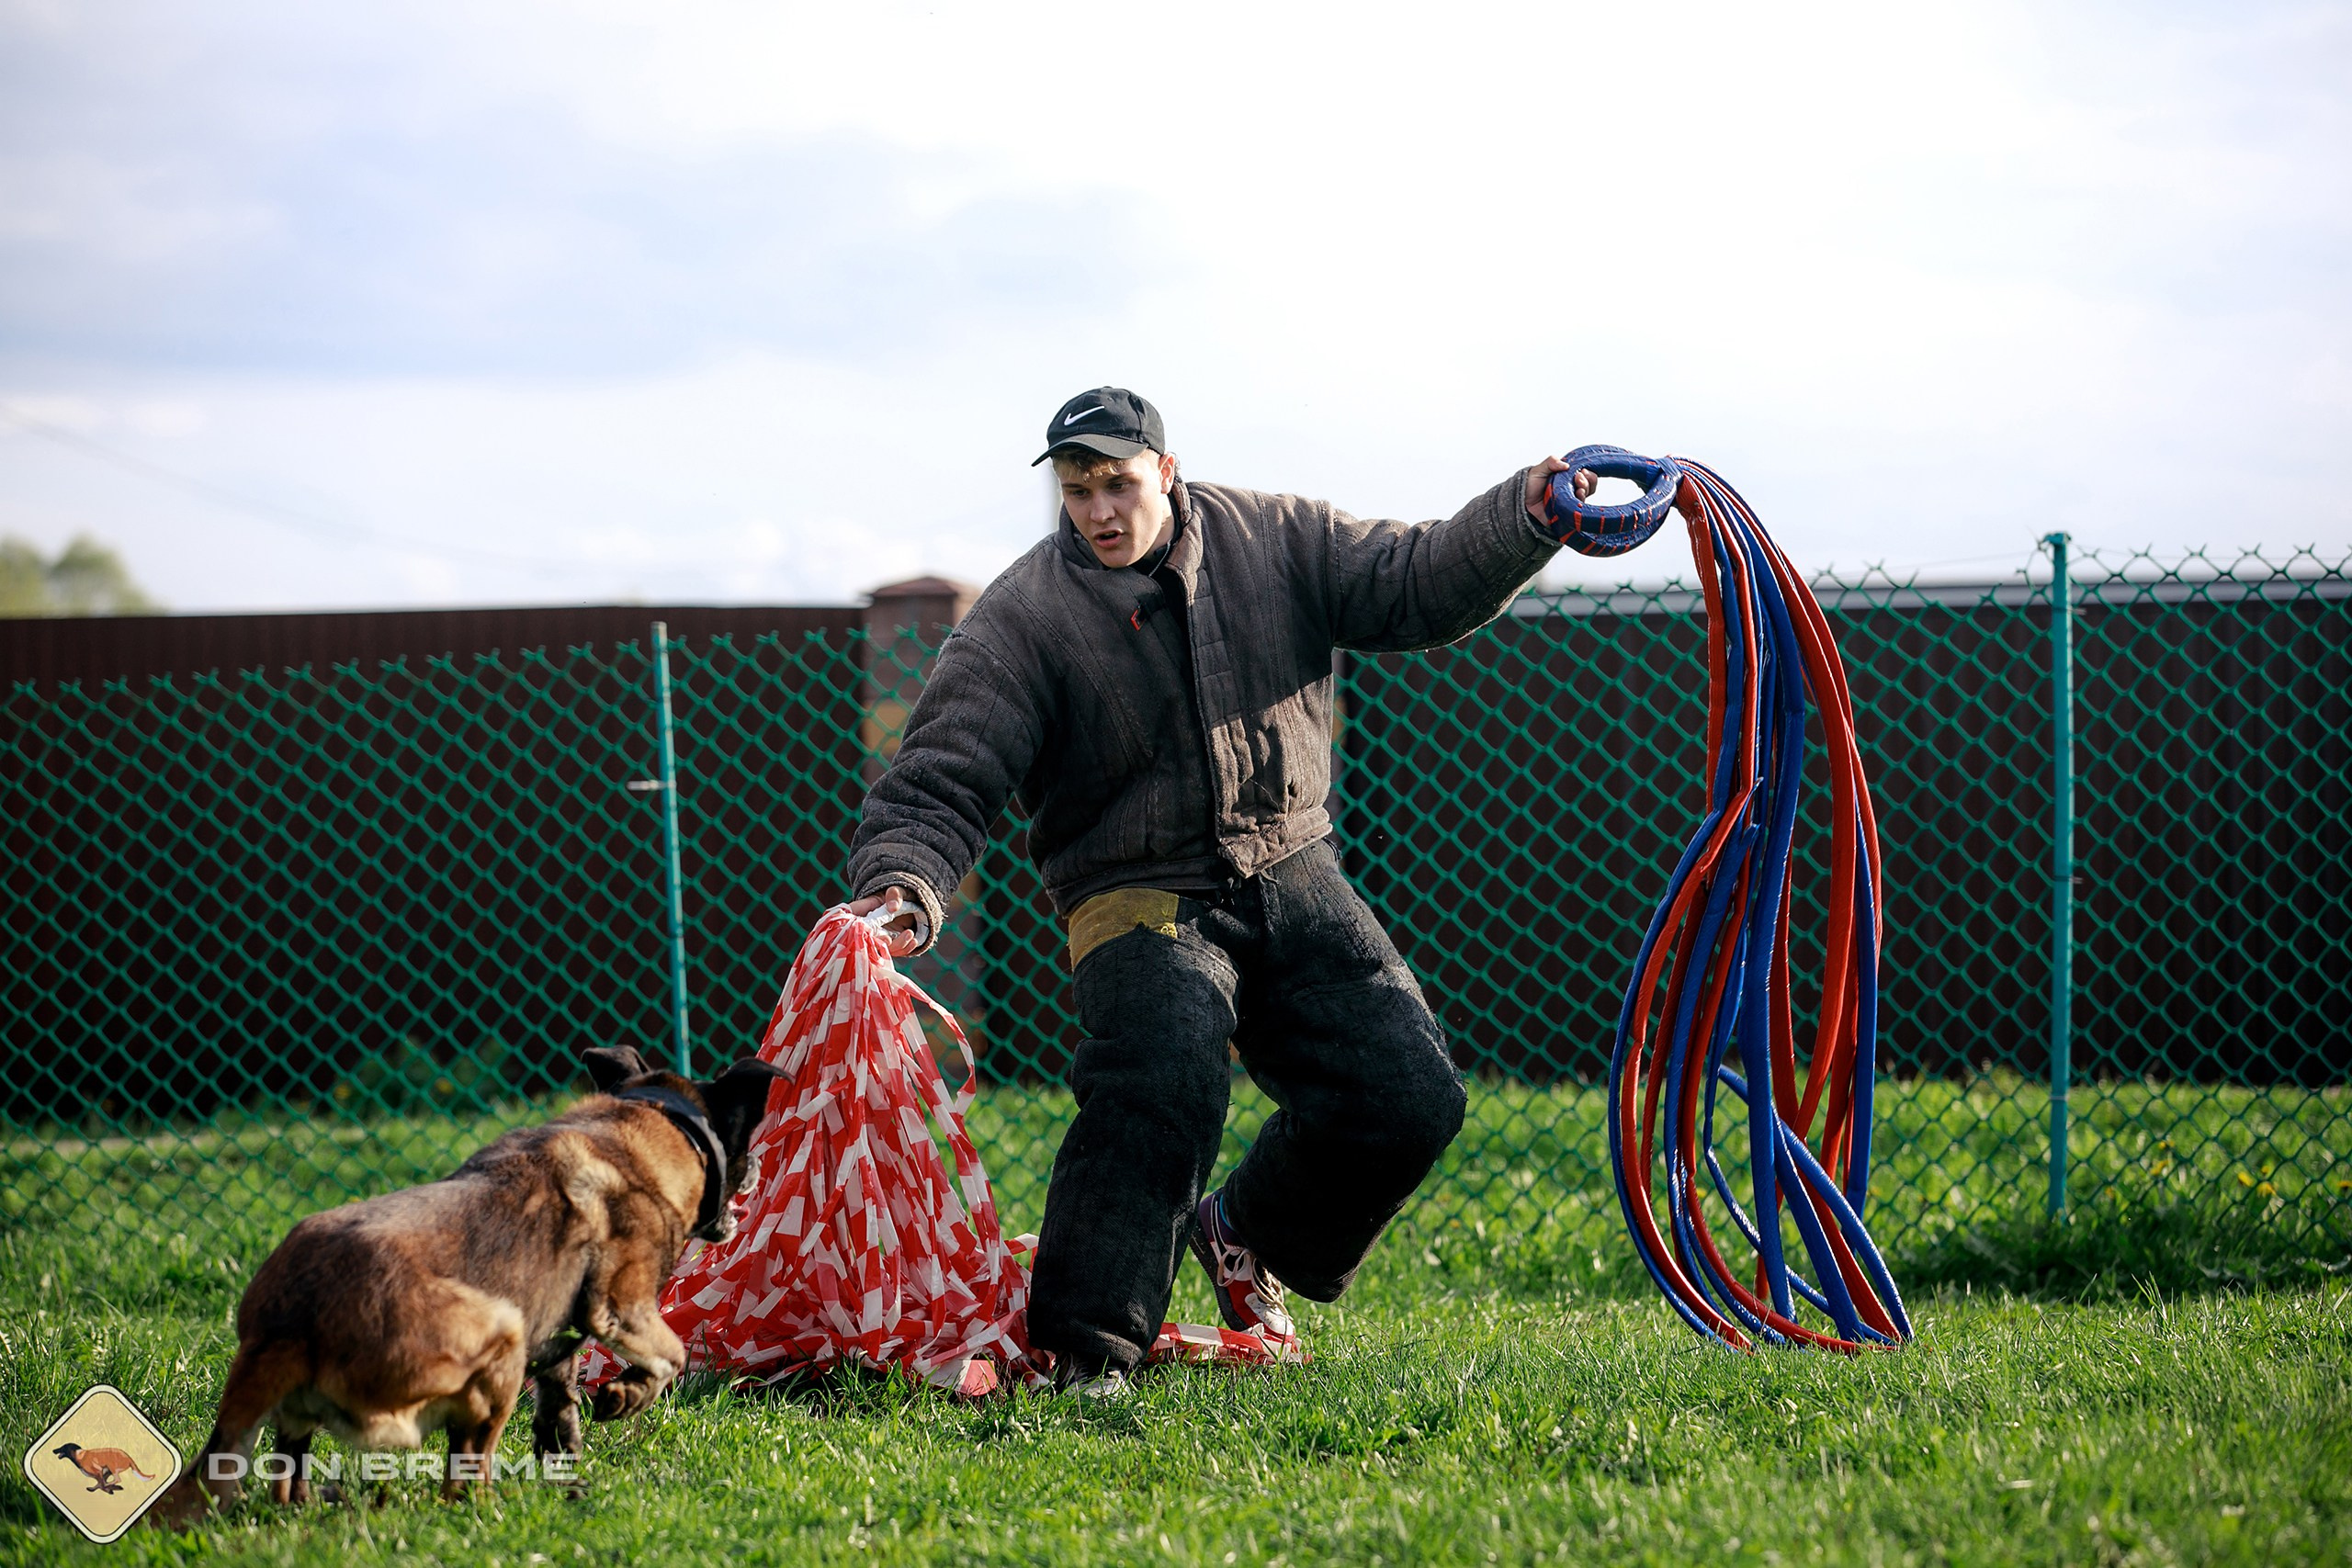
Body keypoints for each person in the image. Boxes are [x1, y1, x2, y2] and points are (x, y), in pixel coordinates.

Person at [846, 387, 1595, 1394]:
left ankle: (1246, 1230)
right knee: (1157, 1084)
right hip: (1131, 888)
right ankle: (1088, 1353)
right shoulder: (1022, 618)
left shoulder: (1276, 539)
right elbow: (941, 776)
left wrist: (1526, 514)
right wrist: (902, 884)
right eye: (1077, 490)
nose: (1099, 511)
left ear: (1165, 470)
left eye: (1117, 484)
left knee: (1408, 1095)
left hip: (1289, 856)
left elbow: (1413, 579)